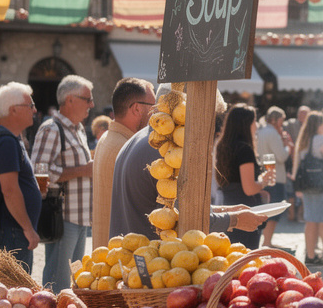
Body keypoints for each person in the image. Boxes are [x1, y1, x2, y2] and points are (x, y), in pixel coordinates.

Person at [109, 86, 264, 240]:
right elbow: (186, 219)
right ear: (183, 113)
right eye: (206, 116)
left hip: (132, 254)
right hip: (153, 258)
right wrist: (234, 219)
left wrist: (226, 210)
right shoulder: (168, 153)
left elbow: (174, 207)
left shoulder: (140, 139)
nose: (206, 124)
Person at [30, 75, 95, 292]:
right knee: (58, 280)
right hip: (63, 216)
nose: (91, 104)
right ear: (69, 100)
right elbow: (38, 170)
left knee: (74, 277)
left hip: (80, 217)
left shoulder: (76, 129)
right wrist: (83, 170)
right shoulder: (51, 128)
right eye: (87, 98)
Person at [0, 82, 43, 276]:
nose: (34, 110)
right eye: (30, 105)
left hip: (9, 231)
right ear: (13, 110)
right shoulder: (6, 141)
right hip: (11, 232)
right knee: (12, 298)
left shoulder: (7, 137)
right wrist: (28, 228)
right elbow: (9, 190)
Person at [91, 78, 153, 251]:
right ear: (137, 109)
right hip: (118, 252)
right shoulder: (125, 146)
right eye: (153, 107)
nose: (156, 113)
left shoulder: (108, 138)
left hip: (107, 249)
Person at [215, 104, 275, 249]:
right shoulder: (244, 149)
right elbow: (249, 188)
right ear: (246, 123)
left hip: (228, 205)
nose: (256, 125)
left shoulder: (223, 145)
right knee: (246, 256)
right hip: (245, 208)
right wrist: (263, 182)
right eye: (254, 121)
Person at [294, 111, 323, 265]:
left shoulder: (304, 139)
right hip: (321, 186)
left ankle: (310, 253)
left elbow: (297, 164)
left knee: (310, 219)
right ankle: (312, 255)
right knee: (318, 219)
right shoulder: (321, 139)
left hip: (306, 185)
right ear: (318, 125)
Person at [255, 107, 290, 247]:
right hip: (275, 176)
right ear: (275, 120)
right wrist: (288, 147)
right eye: (281, 121)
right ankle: (267, 242)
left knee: (267, 208)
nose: (282, 124)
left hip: (264, 174)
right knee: (274, 210)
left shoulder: (261, 131)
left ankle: (266, 241)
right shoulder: (272, 133)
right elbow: (281, 156)